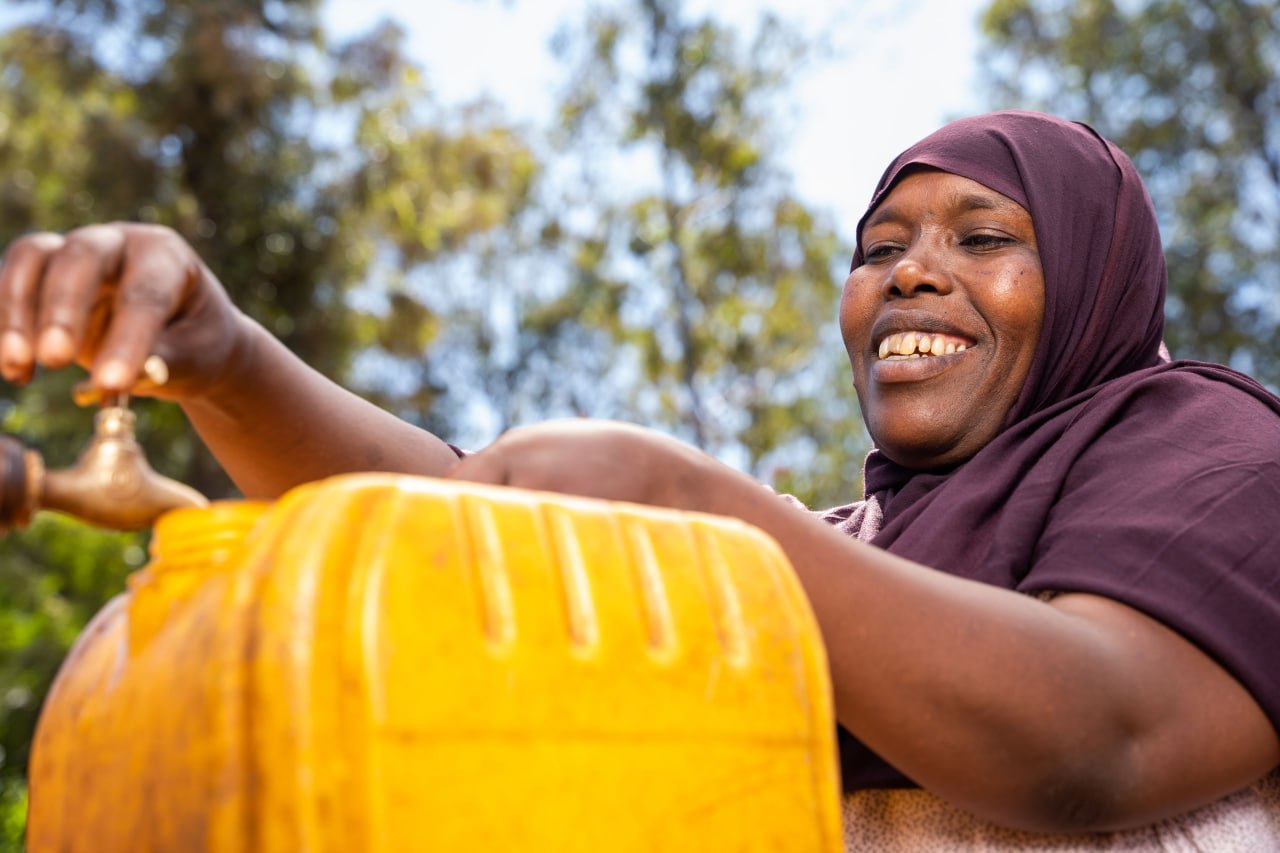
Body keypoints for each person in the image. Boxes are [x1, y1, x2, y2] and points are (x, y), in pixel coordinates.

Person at [3, 110, 1279, 848]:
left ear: (1102, 285)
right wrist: (222, 362)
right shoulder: (861, 547)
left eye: (982, 238)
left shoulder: (1206, 452)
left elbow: (1101, 736)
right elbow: (463, 516)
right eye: (877, 246)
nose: (906, 272)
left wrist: (696, 507)